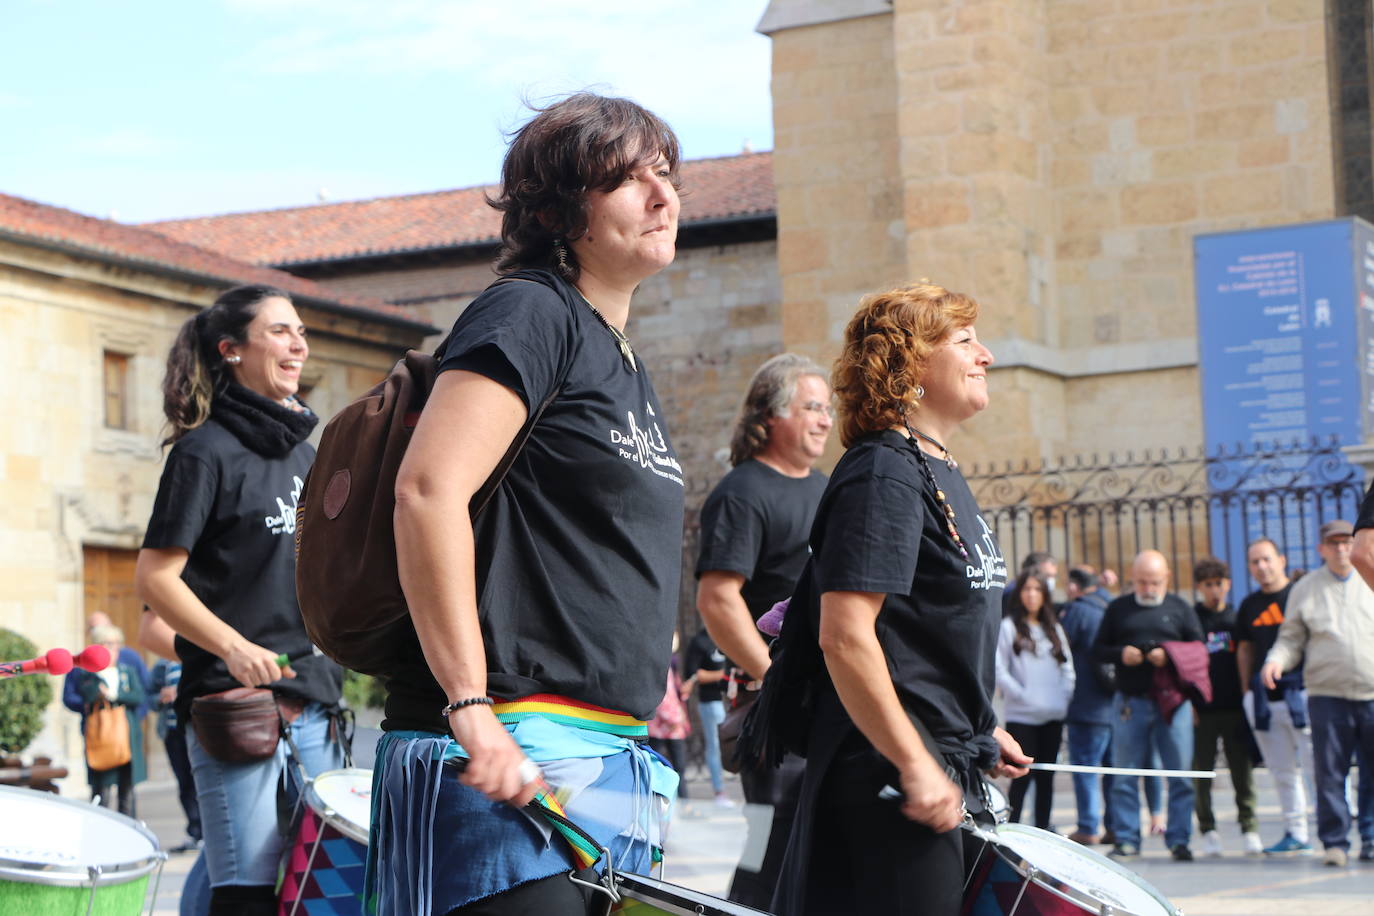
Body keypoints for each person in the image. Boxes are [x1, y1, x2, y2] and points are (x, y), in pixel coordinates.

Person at [368, 93, 687, 915]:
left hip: (606, 756)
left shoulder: (620, 359)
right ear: (558, 209)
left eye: (666, 174)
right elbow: (427, 491)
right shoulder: (531, 311)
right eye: (629, 180)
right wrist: (471, 708)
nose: (663, 196)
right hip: (506, 745)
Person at [758, 282, 1029, 915]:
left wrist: (981, 726)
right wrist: (914, 761)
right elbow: (845, 635)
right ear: (909, 364)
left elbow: (923, 637)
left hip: (934, 757)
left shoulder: (935, 467)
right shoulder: (884, 471)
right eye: (963, 340)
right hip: (886, 770)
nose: (985, 354)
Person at [134, 283, 345, 916]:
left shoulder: (308, 455)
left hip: (315, 700)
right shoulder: (202, 453)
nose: (298, 342)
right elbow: (154, 579)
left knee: (312, 880)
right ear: (231, 350)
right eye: (280, 330)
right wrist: (234, 647)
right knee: (246, 886)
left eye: (301, 331)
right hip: (237, 707)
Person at [695, 352, 831, 908]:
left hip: (827, 702)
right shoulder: (742, 492)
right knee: (770, 857)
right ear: (772, 415)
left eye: (828, 408)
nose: (826, 419)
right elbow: (717, 600)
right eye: (812, 407)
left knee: (817, 854)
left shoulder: (828, 488)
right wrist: (777, 681)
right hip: (773, 712)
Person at [1261, 519, 1374, 867]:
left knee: (1372, 771)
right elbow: (1291, 637)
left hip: (1371, 693)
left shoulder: (1370, 580)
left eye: (1347, 542)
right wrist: (1276, 661)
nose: (1341, 549)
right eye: (1334, 543)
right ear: (1321, 548)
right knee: (1329, 772)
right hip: (1327, 695)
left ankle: (1370, 836)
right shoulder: (1306, 588)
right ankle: (1335, 841)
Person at [1092, 550, 1207, 861]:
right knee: (1125, 774)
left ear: (1166, 578)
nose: (1148, 589)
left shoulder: (1180, 608)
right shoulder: (1118, 609)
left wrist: (1168, 655)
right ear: (1132, 580)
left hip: (1174, 704)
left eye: (1154, 582)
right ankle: (1128, 838)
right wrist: (1122, 655)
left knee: (1181, 775)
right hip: (1130, 702)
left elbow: (1199, 649)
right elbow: (1098, 651)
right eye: (1141, 583)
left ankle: (1179, 839)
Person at [1236, 537, 1316, 856]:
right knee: (1282, 771)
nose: (1262, 567)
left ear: (1281, 560)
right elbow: (1244, 649)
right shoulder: (1249, 605)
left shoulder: (1300, 596)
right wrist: (1245, 690)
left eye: (1267, 559)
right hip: (1264, 701)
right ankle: (1296, 832)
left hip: (1303, 693)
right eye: (1255, 562)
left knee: (1317, 767)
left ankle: (1332, 831)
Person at [1190, 557, 1260, 856]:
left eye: (1219, 584)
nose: (1214, 590)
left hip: (1233, 707)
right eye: (1208, 585)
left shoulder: (1236, 617)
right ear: (1199, 588)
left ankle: (1249, 827)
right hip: (1202, 709)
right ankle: (1208, 829)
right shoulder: (1193, 619)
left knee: (1241, 771)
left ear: (1228, 585)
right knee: (1201, 771)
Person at [995, 572, 1074, 829]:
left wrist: (1062, 699)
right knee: (1021, 779)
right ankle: (1013, 833)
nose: (1031, 595)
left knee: (1045, 780)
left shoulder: (1054, 629)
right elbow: (999, 669)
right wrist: (1021, 694)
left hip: (1052, 715)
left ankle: (1042, 830)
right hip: (1023, 717)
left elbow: (1067, 669)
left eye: (1036, 590)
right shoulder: (1008, 628)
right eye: (1026, 589)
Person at [1059, 565, 1117, 845]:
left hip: (1086, 703)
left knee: (1085, 767)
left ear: (1075, 586)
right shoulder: (1112, 605)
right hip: (1116, 702)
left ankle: (1088, 825)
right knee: (1113, 771)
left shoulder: (1078, 610)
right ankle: (1115, 826)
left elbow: (1061, 649)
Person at [75, 624, 147, 816]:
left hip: (126, 735)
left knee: (127, 789)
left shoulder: (126, 671)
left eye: (116, 644)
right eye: (107, 644)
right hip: (101, 735)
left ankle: (129, 832)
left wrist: (115, 696)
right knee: (102, 790)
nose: (112, 649)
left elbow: (139, 696)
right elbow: (84, 695)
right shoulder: (87, 673)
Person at [149, 656, 202, 852]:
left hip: (196, 728)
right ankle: (194, 831)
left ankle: (206, 831)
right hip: (171, 732)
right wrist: (160, 698)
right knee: (184, 783)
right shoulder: (162, 666)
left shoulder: (195, 654)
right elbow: (149, 698)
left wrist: (181, 693)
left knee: (200, 780)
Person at [681, 626, 732, 806]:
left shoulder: (726, 634)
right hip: (711, 701)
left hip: (732, 700)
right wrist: (723, 674)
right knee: (715, 746)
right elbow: (694, 675)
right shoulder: (700, 641)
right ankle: (720, 792)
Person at [647, 634, 691, 800]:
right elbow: (666, 696)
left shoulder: (667, 663)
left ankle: (676, 801)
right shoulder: (664, 665)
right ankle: (679, 802)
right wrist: (675, 719)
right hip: (668, 724)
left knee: (665, 766)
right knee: (675, 766)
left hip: (660, 724)